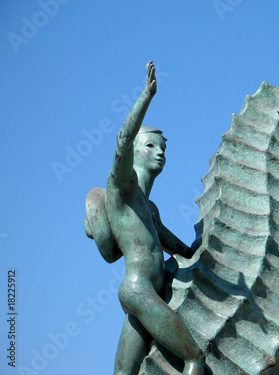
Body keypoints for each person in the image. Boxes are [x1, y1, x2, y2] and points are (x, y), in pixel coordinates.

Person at [105, 61, 204, 375]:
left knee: (124, 372)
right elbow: (122, 140)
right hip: (139, 291)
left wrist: (204, 248)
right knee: (194, 359)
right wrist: (146, 96)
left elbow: (181, 249)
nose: (160, 152)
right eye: (150, 146)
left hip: (145, 296)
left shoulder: (152, 210)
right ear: (135, 152)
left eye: (163, 148)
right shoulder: (120, 189)